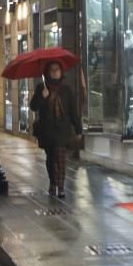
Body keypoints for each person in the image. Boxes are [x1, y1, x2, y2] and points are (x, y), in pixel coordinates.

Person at [29, 61, 82, 198]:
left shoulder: (66, 89)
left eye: (57, 69)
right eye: (52, 70)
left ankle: (61, 187)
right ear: (47, 72)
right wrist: (42, 96)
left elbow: (73, 111)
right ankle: (53, 183)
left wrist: (78, 129)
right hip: (47, 130)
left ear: (61, 72)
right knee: (51, 159)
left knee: (61, 158)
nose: (54, 72)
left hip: (62, 130)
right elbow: (33, 106)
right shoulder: (42, 87)